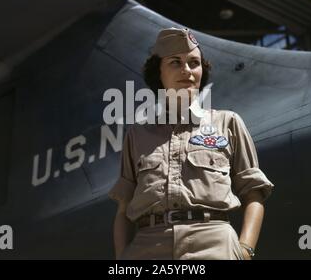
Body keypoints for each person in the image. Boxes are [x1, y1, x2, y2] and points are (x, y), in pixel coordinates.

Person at [108, 27, 274, 260]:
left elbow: (253, 194)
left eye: (194, 63)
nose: (187, 70)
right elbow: (124, 210)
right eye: (176, 62)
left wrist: (244, 250)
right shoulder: (137, 136)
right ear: (159, 72)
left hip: (214, 246)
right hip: (147, 247)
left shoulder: (228, 122)